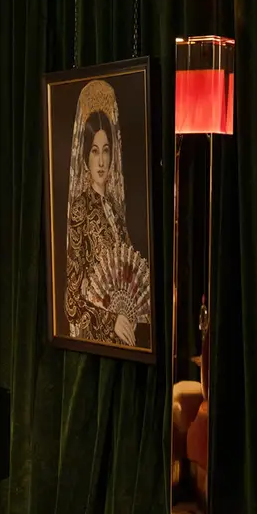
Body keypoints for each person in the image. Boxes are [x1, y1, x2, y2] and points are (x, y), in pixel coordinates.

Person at [64, 79, 150, 346]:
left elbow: (128, 279)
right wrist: (110, 320)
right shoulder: (81, 208)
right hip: (96, 340)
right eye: (94, 152)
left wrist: (128, 317)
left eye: (106, 151)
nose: (101, 161)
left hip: (123, 339)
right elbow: (72, 302)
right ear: (85, 157)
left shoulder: (115, 210)